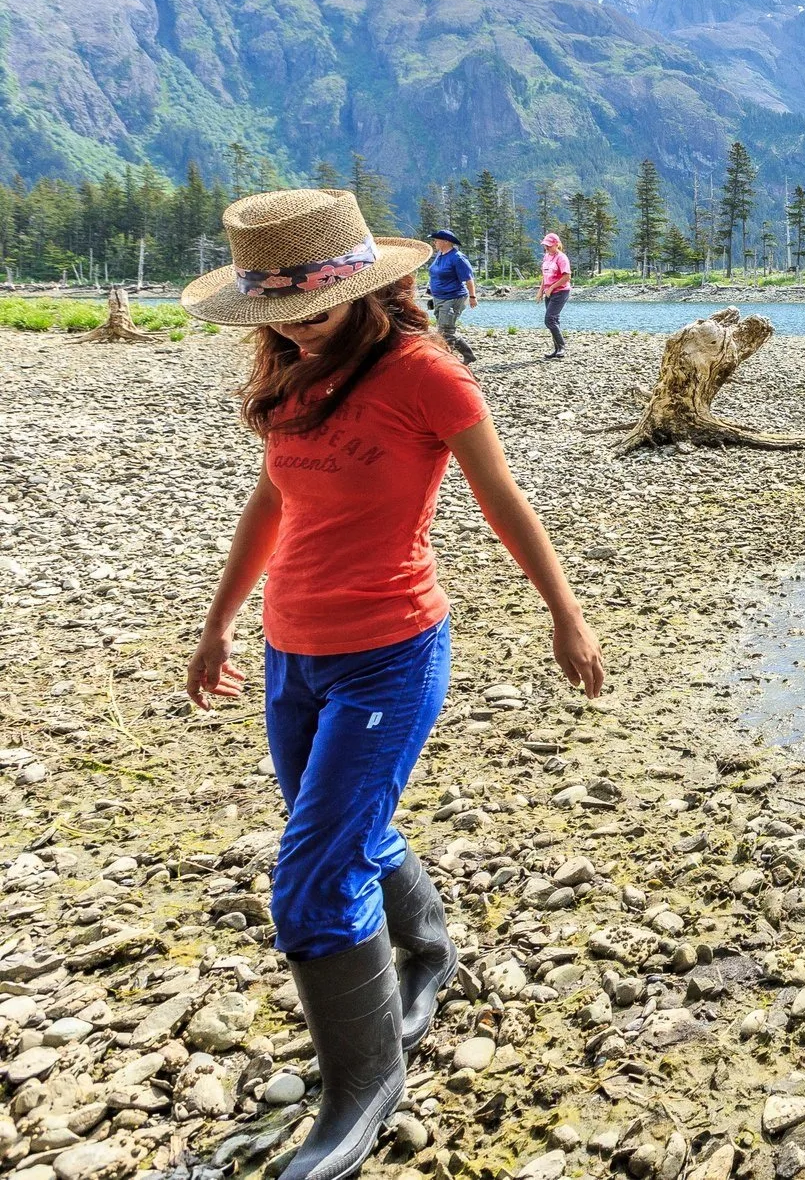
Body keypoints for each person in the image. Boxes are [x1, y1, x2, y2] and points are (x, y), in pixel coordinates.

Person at [180, 188, 604, 1180]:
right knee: (342, 832)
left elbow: (503, 498)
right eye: (276, 312)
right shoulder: (289, 368)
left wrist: (566, 613)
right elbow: (272, 501)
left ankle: (363, 1087)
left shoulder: (426, 375)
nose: (293, 326)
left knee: (311, 879)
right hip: (292, 651)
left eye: (311, 308)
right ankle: (430, 951)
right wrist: (219, 621)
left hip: (390, 653)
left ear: (368, 289)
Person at [424, 229, 477, 364]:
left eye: (436, 240)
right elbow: (434, 274)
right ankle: (468, 355)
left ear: (446, 241)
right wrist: (430, 290)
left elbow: (469, 278)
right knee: (445, 330)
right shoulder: (440, 255)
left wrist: (472, 297)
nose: (434, 242)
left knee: (445, 332)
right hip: (439, 297)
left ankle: (447, 362)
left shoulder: (458, 258)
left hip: (453, 297)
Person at [538, 230, 572, 360]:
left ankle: (562, 346)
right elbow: (545, 276)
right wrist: (541, 290)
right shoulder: (546, 257)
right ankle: (557, 349)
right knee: (554, 319)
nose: (546, 248)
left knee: (549, 319)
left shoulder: (562, 258)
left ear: (556, 244)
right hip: (549, 292)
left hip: (561, 291)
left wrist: (552, 287)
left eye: (549, 245)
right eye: (545, 245)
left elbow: (567, 277)